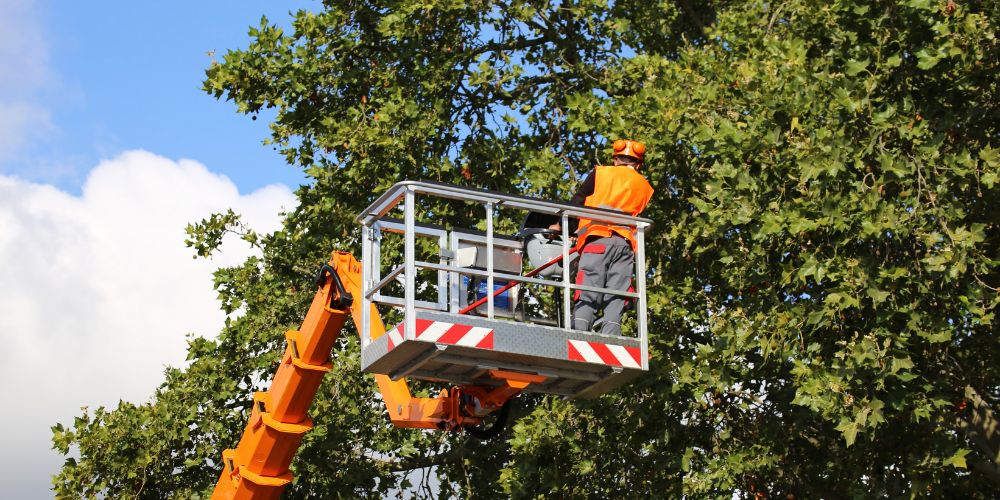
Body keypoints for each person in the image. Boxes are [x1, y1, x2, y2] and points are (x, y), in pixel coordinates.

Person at [558, 139, 654, 335]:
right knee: (617, 292)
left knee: (589, 286)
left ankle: (580, 331)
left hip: (597, 239)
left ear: (616, 159)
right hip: (625, 245)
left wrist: (565, 229)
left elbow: (578, 201)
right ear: (637, 164)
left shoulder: (601, 173)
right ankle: (612, 333)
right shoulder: (645, 186)